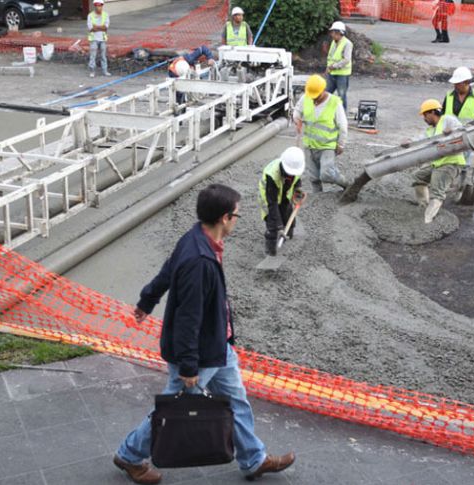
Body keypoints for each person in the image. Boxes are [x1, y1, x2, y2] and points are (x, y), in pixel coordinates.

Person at [112, 184, 295, 484]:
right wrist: (188, 366)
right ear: (225, 218)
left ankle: (253, 460)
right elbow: (188, 318)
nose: (238, 219)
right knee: (172, 408)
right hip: (201, 354)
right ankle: (129, 455)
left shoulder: (196, 238)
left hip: (217, 346)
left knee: (236, 401)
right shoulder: (199, 260)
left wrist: (147, 300)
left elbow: (166, 271)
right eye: (237, 214)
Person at [410, 98, 465, 223]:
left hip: (451, 162)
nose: (424, 118)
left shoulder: (448, 120)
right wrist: (409, 142)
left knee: (437, 190)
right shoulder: (430, 130)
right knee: (417, 176)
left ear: (433, 112)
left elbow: (463, 130)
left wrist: (452, 131)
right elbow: (420, 139)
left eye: (425, 115)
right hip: (437, 163)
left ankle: (428, 220)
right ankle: (423, 206)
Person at [293, 74, 351, 192]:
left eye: (316, 96)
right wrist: (297, 119)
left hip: (327, 146)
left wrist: (341, 144)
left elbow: (343, 126)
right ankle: (318, 198)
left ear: (323, 90)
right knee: (313, 177)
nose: (313, 98)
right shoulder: (306, 98)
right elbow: (297, 111)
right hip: (309, 145)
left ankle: (347, 184)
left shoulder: (334, 103)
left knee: (326, 174)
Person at [443, 66, 474, 186]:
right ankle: (447, 183)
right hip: (451, 135)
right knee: (448, 161)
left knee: (462, 161)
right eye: (454, 84)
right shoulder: (449, 96)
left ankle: (460, 185)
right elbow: (442, 115)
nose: (455, 86)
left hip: (469, 136)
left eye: (458, 84)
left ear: (466, 82)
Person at [258, 147, 307, 256]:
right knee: (273, 224)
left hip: (284, 196)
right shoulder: (272, 176)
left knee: (289, 217)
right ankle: (271, 252)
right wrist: (279, 227)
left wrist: (297, 190)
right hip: (269, 199)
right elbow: (272, 204)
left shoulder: (295, 168)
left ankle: (287, 242)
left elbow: (297, 180)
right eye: (289, 173)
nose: (291, 175)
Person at [325, 21, 353, 113]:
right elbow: (331, 57)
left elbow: (346, 59)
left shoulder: (347, 43)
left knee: (341, 95)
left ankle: (342, 114)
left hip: (342, 75)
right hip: (332, 73)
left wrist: (334, 66)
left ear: (339, 32)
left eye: (333, 32)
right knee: (326, 93)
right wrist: (328, 67)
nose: (331, 34)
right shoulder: (334, 42)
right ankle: (326, 113)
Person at [87, 0, 111, 78]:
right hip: (94, 38)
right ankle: (92, 71)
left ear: (102, 6)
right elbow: (91, 28)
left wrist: (96, 26)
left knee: (103, 55)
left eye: (100, 6)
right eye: (97, 6)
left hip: (103, 38)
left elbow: (106, 28)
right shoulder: (90, 15)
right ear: (95, 6)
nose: (98, 7)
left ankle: (105, 70)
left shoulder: (105, 15)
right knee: (93, 55)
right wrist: (101, 27)